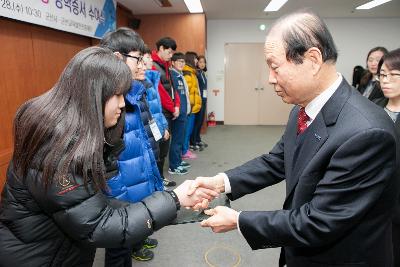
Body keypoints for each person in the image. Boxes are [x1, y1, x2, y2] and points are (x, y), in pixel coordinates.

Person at [191, 9, 400, 267]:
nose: (270, 79)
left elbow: (319, 221)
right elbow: (277, 160)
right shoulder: (303, 109)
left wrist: (239, 220)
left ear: (312, 59)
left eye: (275, 67)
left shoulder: (367, 133)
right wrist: (220, 182)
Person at [0, 46, 217, 267]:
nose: (123, 103)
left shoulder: (77, 133)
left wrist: (173, 203)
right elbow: (98, 226)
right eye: (117, 95)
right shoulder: (57, 147)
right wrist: (173, 200)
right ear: (93, 94)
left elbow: (93, 205)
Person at [99, 28, 165, 263]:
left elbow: (143, 144)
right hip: (121, 192)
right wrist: (121, 199)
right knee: (119, 249)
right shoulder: (108, 101)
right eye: (138, 59)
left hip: (135, 184)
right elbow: (107, 162)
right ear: (118, 58)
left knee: (126, 244)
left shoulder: (134, 92)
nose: (143, 65)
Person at [373, 48, 400, 267]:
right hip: (372, 201)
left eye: (394, 75)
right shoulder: (372, 110)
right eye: (382, 75)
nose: (386, 80)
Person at [151, 37, 180, 186]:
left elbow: (172, 87)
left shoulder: (166, 65)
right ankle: (158, 180)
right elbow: (160, 91)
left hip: (168, 111)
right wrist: (172, 107)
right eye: (169, 52)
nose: (171, 56)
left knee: (164, 146)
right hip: (160, 112)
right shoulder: (152, 65)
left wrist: (177, 105)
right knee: (160, 146)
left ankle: (160, 178)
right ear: (161, 48)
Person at [169, 52, 192, 175]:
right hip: (178, 113)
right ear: (172, 62)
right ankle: (173, 166)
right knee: (177, 139)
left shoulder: (179, 75)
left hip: (184, 112)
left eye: (183, 61)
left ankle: (177, 160)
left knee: (180, 138)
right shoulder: (172, 75)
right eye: (179, 61)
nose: (182, 64)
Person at [183, 51, 202, 157]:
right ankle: (184, 151)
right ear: (191, 59)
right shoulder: (187, 74)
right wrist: (189, 107)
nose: (196, 61)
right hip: (189, 108)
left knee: (188, 130)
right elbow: (187, 94)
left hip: (193, 108)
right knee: (186, 131)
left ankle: (185, 149)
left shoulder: (192, 73)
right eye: (195, 59)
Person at [192, 55, 208, 149]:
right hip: (198, 100)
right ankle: (193, 142)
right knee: (197, 122)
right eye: (200, 62)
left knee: (201, 121)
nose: (202, 64)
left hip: (204, 100)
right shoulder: (196, 73)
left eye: (204, 62)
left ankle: (198, 139)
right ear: (197, 63)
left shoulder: (202, 73)